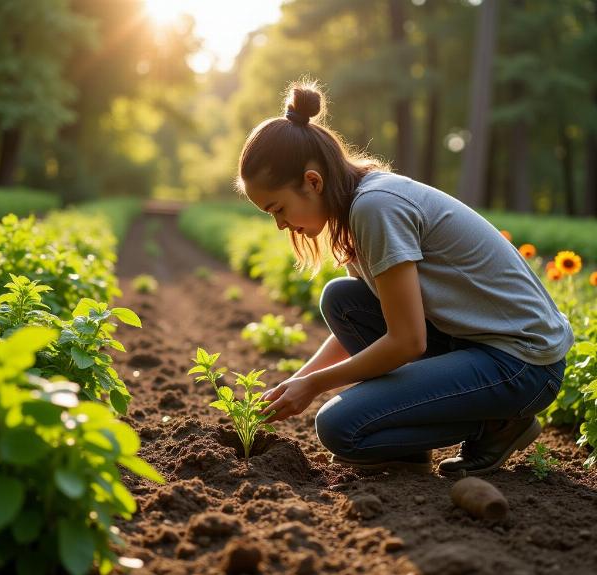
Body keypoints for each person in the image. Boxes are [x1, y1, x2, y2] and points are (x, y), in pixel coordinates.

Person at [235, 79, 574, 477]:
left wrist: (314, 387)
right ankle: (406, 444)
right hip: (473, 342)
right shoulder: (353, 208)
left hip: (522, 362)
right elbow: (382, 318)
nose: (279, 225)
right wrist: (298, 379)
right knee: (342, 300)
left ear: (313, 181)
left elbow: (408, 341)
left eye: (278, 209)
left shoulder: (375, 208)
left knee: (339, 427)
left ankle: (500, 423)